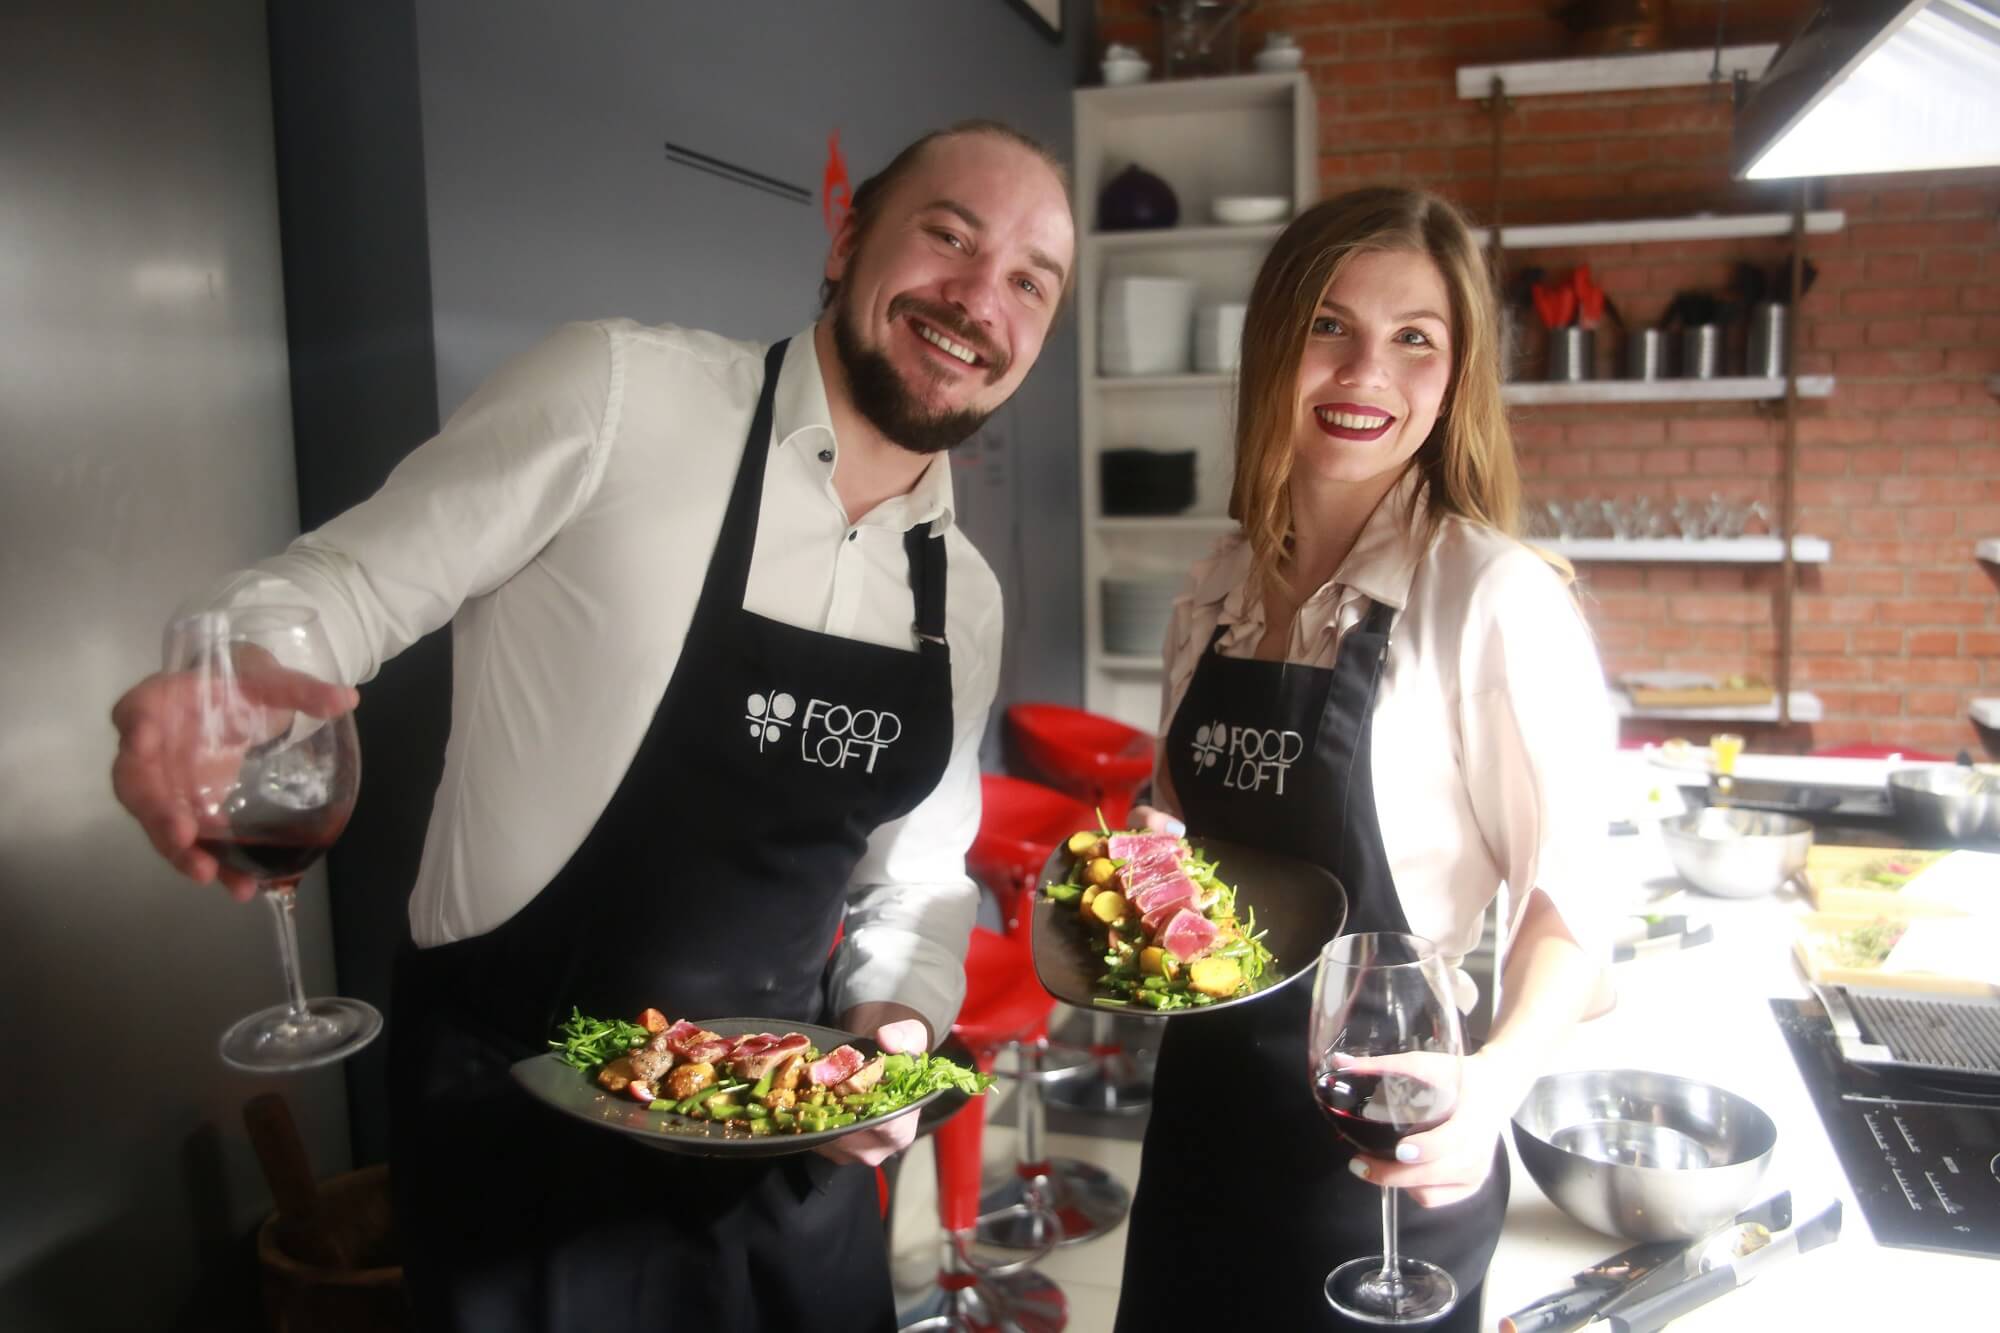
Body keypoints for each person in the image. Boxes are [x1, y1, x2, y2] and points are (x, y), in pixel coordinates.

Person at [109, 120, 1076, 1332]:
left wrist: (888, 1026)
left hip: (778, 1147)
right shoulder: (620, 396)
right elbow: (344, 584)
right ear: (845, 243)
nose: (978, 298)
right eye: (948, 236)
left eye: (1029, 283)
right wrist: (237, 673)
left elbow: (914, 880)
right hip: (517, 1142)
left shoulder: (960, 598)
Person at [1112, 186, 1612, 1330]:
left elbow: (1574, 904)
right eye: (1328, 325)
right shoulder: (1215, 587)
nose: (1363, 374)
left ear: (1455, 375)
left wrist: (1490, 1086)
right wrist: (1140, 868)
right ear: (1271, 345)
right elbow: (1173, 813)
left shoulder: (1491, 599)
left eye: (1413, 339)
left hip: (1390, 1152)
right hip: (1199, 1134)